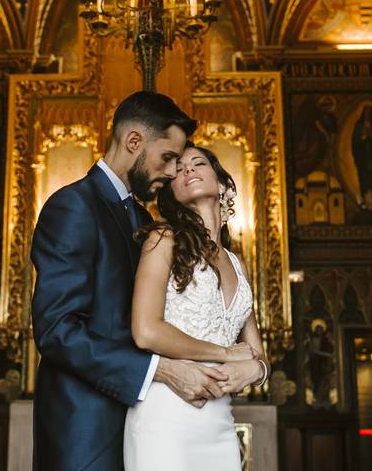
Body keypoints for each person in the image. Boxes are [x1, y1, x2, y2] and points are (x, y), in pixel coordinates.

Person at [31, 92, 239, 471]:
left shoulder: (146, 221)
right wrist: (159, 370)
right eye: (168, 158)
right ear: (133, 142)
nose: (174, 171)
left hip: (153, 424)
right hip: (87, 431)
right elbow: (57, 330)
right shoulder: (74, 205)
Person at [125, 144, 269, 470]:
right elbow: (146, 332)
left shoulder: (237, 263)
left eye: (198, 163)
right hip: (166, 416)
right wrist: (226, 354)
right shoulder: (163, 240)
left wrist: (259, 371)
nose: (188, 169)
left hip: (219, 422)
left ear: (223, 185)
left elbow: (257, 352)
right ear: (172, 192)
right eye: (179, 168)